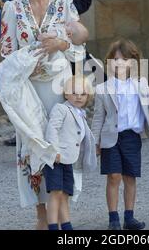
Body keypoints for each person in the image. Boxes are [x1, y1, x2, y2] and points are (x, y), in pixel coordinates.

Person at [0, 0, 88, 230]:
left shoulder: (65, 6)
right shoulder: (12, 8)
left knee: (60, 141)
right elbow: (6, 50)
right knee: (34, 145)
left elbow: (80, 44)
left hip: (58, 87)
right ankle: (41, 214)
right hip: (28, 89)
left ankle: (63, 213)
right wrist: (24, 63)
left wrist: (60, 44)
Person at [3, 0, 94, 147]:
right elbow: (8, 50)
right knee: (33, 141)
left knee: (61, 136)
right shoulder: (14, 3)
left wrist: (65, 25)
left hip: (58, 73)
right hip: (28, 76)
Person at [91, 39, 149, 230]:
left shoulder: (141, 84)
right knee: (114, 176)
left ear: (134, 62)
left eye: (125, 59)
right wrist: (95, 142)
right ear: (109, 62)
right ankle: (113, 219)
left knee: (130, 177)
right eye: (116, 59)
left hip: (131, 137)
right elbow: (98, 118)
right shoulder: (103, 88)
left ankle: (129, 217)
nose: (120, 63)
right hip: (111, 137)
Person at [43, 76, 97, 230]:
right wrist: (54, 151)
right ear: (66, 94)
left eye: (83, 94)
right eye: (74, 93)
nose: (79, 96)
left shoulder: (81, 113)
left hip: (68, 160)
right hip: (56, 159)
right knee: (55, 193)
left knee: (66, 193)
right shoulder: (61, 109)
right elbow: (52, 129)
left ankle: (67, 225)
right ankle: (53, 226)